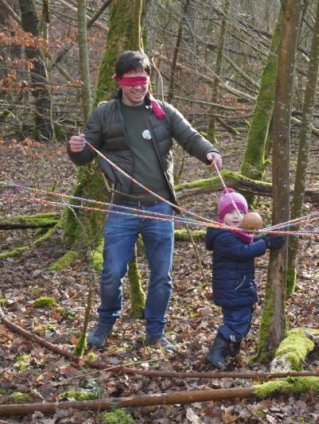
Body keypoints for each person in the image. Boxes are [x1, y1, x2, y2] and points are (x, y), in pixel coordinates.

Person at [67, 50, 223, 352]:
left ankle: (155, 332)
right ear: (119, 81)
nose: (139, 87)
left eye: (144, 80)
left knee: (162, 276)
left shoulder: (163, 112)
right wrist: (76, 149)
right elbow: (86, 154)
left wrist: (209, 152)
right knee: (111, 273)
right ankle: (104, 325)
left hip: (160, 208)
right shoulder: (104, 113)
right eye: (132, 81)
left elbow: (190, 137)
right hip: (123, 206)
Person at [204, 189, 284, 369]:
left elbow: (249, 242)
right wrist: (267, 243)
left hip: (237, 287)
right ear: (221, 215)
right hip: (233, 289)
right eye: (230, 212)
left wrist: (263, 239)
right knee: (237, 322)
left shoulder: (237, 233)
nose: (236, 216)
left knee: (241, 320)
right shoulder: (223, 236)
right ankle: (215, 353)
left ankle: (230, 352)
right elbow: (243, 251)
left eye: (240, 212)